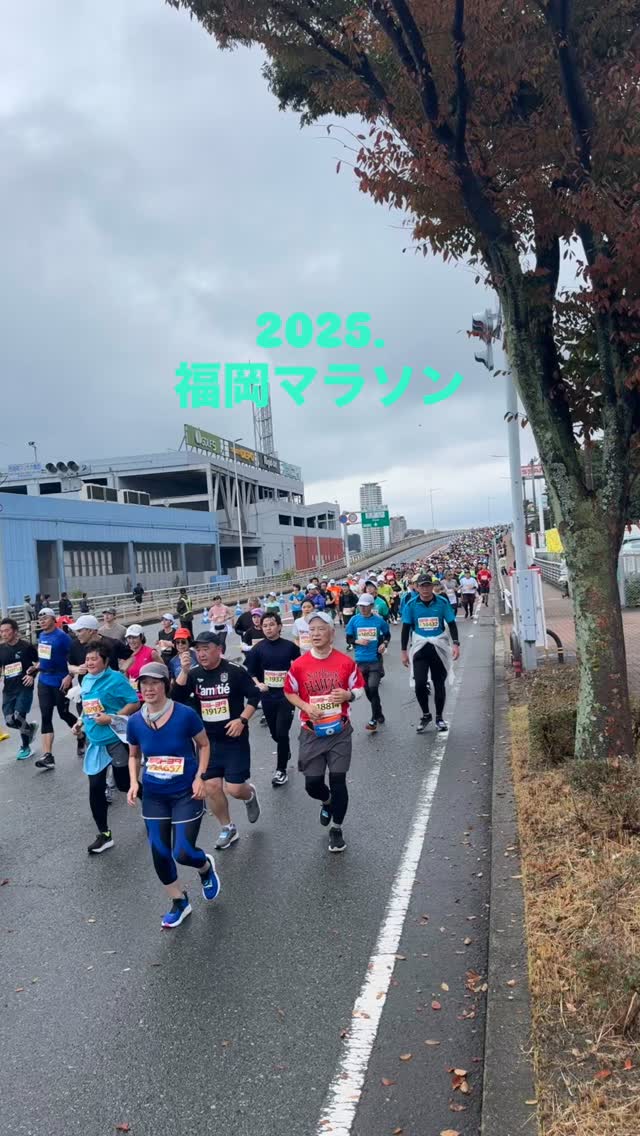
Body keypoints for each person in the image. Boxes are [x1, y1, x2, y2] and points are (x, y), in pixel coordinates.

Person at [127, 662, 220, 929]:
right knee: (159, 851)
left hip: (185, 792)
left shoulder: (185, 714)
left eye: (155, 683)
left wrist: (200, 777)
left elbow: (204, 745)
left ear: (166, 685)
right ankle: (179, 902)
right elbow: (134, 755)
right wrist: (133, 783)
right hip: (154, 794)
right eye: (144, 684)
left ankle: (205, 867)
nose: (149, 688)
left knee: (183, 851)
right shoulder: (135, 721)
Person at [284, 611, 365, 854]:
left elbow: (359, 688)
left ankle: (336, 829)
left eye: (321, 629)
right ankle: (327, 801)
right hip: (312, 732)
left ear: (331, 633)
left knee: (338, 780)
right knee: (313, 784)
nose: (316, 634)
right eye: (312, 630)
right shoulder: (299, 665)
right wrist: (305, 706)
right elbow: (289, 692)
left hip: (340, 731)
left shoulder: (345, 662)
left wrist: (348, 695)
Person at [173, 631, 261, 850]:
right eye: (198, 650)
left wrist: (242, 720)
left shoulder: (234, 671)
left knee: (235, 789)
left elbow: (254, 695)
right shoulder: (193, 674)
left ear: (218, 649)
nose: (201, 654)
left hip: (234, 739)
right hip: (207, 742)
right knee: (211, 787)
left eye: (206, 649)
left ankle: (249, 794)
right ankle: (227, 828)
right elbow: (176, 698)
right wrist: (184, 671)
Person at [74, 640, 140, 854]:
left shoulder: (116, 678)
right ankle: (104, 835)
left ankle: (156, 805)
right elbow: (88, 707)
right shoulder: (86, 679)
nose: (90, 662)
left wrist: (112, 718)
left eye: (94, 659)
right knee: (95, 788)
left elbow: (134, 702)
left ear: (105, 661)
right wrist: (80, 722)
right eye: (87, 659)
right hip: (95, 743)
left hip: (115, 739)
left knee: (123, 784)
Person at [245, 613, 300, 786]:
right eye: (265, 625)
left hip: (287, 696)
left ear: (279, 626)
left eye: (271, 624)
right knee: (276, 734)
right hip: (268, 696)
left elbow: (300, 668)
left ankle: (280, 770)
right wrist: (258, 684)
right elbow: (250, 671)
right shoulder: (258, 649)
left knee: (282, 732)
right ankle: (285, 749)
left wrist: (295, 684)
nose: (268, 628)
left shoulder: (290, 647)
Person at [401, 574, 460, 733]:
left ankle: (439, 717)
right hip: (420, 648)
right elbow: (405, 629)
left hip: (438, 647)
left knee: (439, 683)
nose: (425, 589)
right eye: (422, 586)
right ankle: (426, 714)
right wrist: (404, 652)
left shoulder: (442, 602)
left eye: (428, 585)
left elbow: (451, 624)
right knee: (420, 683)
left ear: (432, 586)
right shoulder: (411, 604)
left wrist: (456, 644)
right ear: (417, 587)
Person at [31, 608, 78, 770]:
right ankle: (48, 756)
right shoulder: (41, 636)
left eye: (45, 618)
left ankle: (81, 735)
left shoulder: (63, 637)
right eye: (40, 619)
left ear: (53, 619)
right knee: (46, 716)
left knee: (63, 714)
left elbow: (74, 659)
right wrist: (36, 668)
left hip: (61, 680)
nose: (42, 621)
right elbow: (44, 657)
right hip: (44, 679)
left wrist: (70, 676)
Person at [345, 594, 390, 732]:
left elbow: (387, 635)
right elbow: (348, 638)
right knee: (368, 691)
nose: (363, 608)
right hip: (360, 661)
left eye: (366, 606)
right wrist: (356, 641)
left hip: (375, 660)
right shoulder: (354, 620)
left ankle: (373, 719)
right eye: (361, 606)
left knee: (373, 687)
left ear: (371, 606)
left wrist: (384, 644)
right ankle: (379, 712)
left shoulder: (378, 620)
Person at [0, 617, 38, 759]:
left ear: (15, 631)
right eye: (1, 631)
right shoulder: (1, 649)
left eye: (7, 631)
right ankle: (29, 729)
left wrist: (32, 675)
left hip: (24, 686)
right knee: (10, 721)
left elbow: (39, 662)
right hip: (8, 689)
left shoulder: (26, 647)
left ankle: (26, 747)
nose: (4, 634)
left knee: (18, 716)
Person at [120, 625, 159, 700]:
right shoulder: (125, 656)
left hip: (150, 694)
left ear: (141, 637)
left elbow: (163, 672)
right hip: (134, 696)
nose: (131, 641)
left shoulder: (151, 653)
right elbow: (124, 679)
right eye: (129, 638)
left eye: (134, 637)